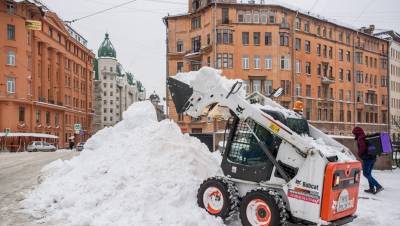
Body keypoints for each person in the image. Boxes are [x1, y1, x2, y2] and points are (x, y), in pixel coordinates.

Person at [352, 127, 384, 194]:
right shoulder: (364, 137)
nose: (354, 135)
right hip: (372, 158)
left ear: (356, 133)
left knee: (366, 174)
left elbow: (363, 147)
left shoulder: (360, 138)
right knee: (369, 174)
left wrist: (359, 154)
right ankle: (371, 188)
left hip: (367, 158)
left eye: (354, 133)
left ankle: (378, 186)